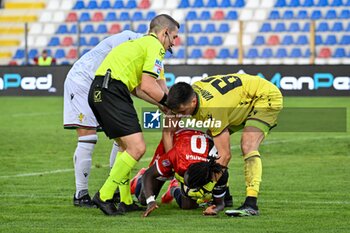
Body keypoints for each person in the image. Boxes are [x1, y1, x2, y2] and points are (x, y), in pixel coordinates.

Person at [88, 14, 180, 216]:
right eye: (174, 37)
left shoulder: (139, 45)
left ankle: (125, 200)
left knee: (125, 147)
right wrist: (169, 104)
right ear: (164, 32)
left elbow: (138, 89)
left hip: (101, 91)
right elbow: (148, 85)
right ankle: (104, 196)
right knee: (137, 148)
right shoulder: (154, 46)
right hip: (111, 91)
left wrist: (162, 105)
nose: (174, 43)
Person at [166, 73, 283, 217]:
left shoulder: (212, 109)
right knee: (210, 139)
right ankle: (225, 197)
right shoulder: (191, 93)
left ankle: (251, 204)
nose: (181, 116)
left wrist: (206, 188)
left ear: (193, 102)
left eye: (183, 112)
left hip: (264, 96)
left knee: (248, 145)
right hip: (241, 101)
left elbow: (225, 156)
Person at [63, 30, 144, 207]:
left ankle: (114, 189)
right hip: (83, 80)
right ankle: (81, 193)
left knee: (123, 135)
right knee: (88, 137)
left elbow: (136, 86)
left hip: (103, 86)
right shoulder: (128, 39)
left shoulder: (144, 51)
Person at [129, 129, 231, 217]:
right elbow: (149, 174)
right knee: (143, 199)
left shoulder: (219, 173)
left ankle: (173, 189)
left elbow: (220, 204)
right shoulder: (175, 155)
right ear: (186, 170)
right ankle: (138, 179)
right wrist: (150, 201)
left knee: (188, 206)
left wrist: (215, 209)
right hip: (177, 142)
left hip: (194, 152)